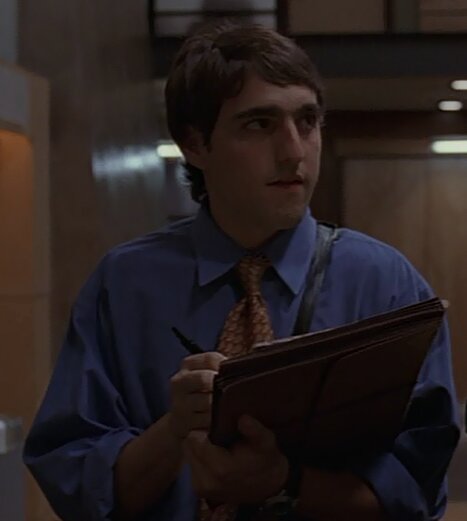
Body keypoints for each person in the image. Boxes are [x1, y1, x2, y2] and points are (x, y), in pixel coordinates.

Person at [24, 19, 459, 521]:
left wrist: (284, 483)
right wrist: (174, 431)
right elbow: (78, 488)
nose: (293, 152)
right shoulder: (124, 285)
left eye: (307, 121)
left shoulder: (385, 284)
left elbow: (415, 494)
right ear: (195, 144)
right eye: (259, 124)